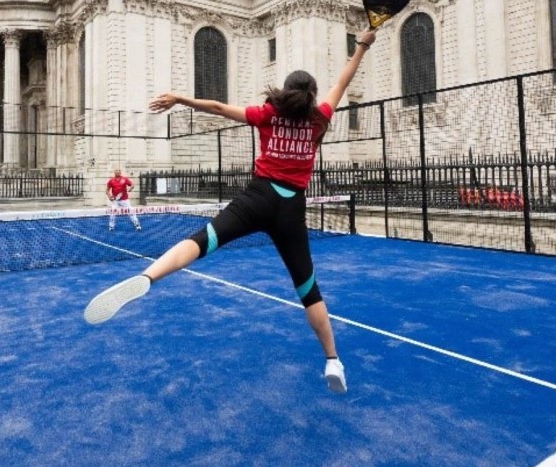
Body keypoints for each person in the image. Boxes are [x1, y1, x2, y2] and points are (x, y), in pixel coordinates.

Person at [86, 25, 377, 394]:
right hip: (291, 209)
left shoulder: (268, 115)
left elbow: (220, 108)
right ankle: (333, 360)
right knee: (308, 288)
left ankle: (148, 277)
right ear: (311, 94)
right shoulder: (321, 117)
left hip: (257, 198)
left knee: (203, 239)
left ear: (286, 91)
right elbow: (344, 82)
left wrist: (180, 99)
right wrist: (361, 48)